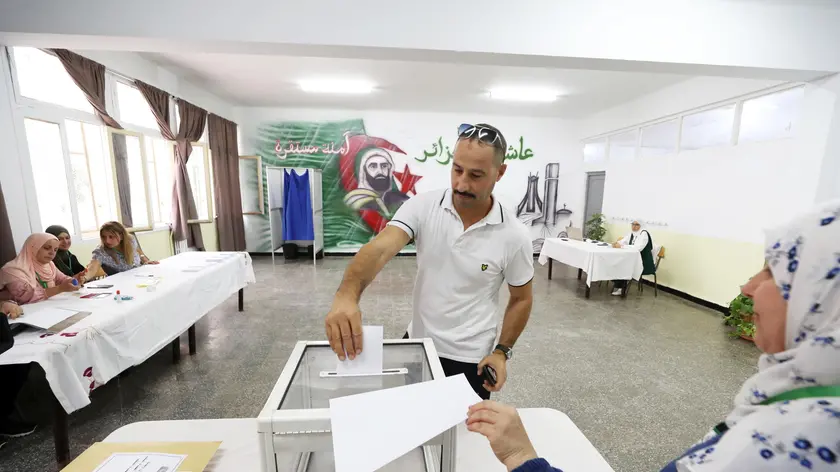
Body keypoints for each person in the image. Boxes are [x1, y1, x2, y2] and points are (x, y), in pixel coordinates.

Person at [467, 200, 840, 471]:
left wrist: (521, 457)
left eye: (771, 274)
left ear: (821, 298)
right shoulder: (797, 399)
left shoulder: (791, 442)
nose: (746, 288)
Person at [325, 123, 534, 399]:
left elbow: (521, 298)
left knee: (460, 437)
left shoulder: (513, 235)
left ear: (500, 172)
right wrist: (346, 295)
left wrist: (501, 352)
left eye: (476, 175)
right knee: (408, 424)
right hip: (417, 345)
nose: (462, 184)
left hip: (471, 360)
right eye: (457, 169)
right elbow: (380, 249)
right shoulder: (423, 207)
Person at [0, 233, 81, 304]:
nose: (52, 253)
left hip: (47, 307)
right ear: (32, 247)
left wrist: (72, 280)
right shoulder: (12, 270)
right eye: (46, 248)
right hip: (21, 315)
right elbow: (24, 297)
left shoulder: (49, 265)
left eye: (55, 249)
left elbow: (62, 278)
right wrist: (60, 288)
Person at [92, 221, 158, 275]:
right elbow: (92, 267)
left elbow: (137, 250)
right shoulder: (100, 251)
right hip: (121, 283)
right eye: (103, 237)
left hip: (140, 275)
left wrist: (146, 260)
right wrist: (84, 278)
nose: (107, 241)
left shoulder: (130, 240)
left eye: (111, 237)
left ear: (121, 236)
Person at [611, 219, 654, 296]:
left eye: (637, 225)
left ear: (641, 226)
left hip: (643, 260)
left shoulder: (644, 234)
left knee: (623, 265)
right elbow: (623, 241)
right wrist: (616, 243)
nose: (634, 226)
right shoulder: (632, 233)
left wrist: (622, 246)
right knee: (617, 262)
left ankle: (621, 288)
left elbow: (638, 248)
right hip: (633, 258)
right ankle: (619, 285)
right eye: (633, 224)